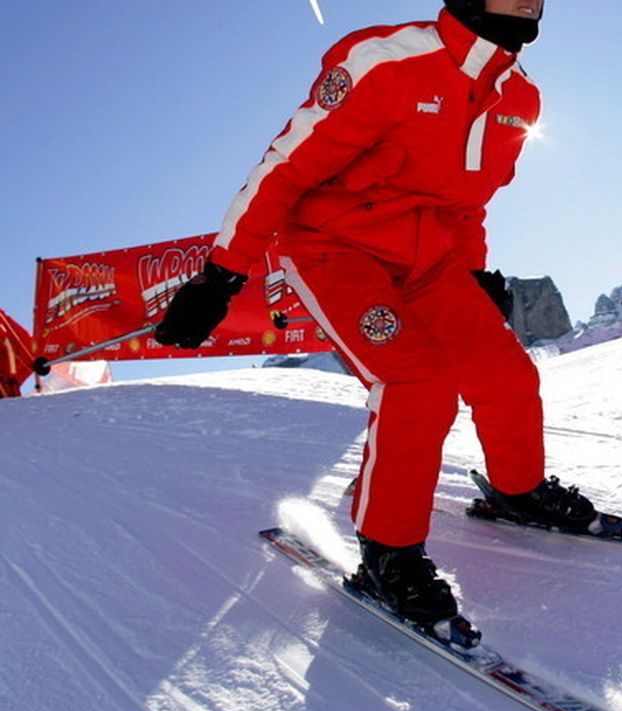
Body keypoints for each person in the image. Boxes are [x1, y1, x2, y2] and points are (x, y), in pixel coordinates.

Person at [153, 0, 597, 628]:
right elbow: (284, 169)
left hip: (428, 258)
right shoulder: (387, 62)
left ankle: (517, 490)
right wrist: (222, 273)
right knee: (419, 381)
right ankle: (388, 552)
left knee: (506, 373)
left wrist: (472, 272)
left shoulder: (519, 99)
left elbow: (468, 204)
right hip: (335, 247)